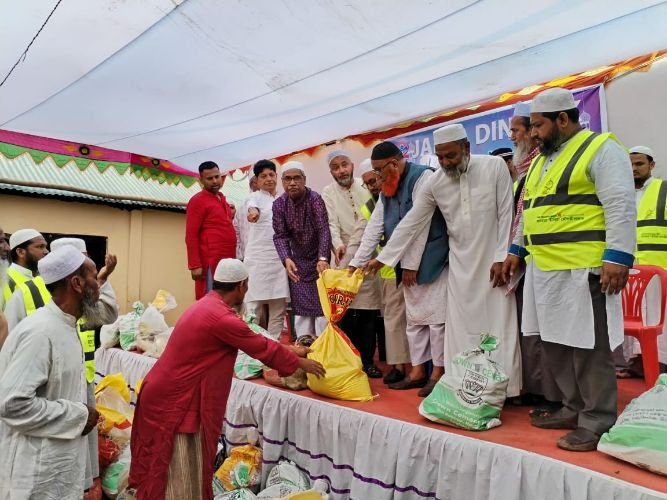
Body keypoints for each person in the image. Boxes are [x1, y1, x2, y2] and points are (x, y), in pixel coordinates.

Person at [503, 87, 635, 451]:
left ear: (563, 119)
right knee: (555, 344)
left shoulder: (601, 148)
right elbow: (529, 211)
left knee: (588, 349)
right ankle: (572, 407)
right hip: (544, 270)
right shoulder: (543, 159)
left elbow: (621, 204)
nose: (532, 134)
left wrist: (618, 257)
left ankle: (597, 419)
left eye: (538, 126)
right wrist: (516, 250)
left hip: (585, 271)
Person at [129, 259, 325, 500]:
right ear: (241, 286)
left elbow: (251, 338)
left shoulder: (208, 306)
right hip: (175, 402)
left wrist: (293, 351)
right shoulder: (220, 317)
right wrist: (302, 363)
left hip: (165, 394)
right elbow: (257, 345)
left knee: (171, 473)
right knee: (177, 479)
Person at [366, 127, 521, 400]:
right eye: (440, 157)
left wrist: (501, 255)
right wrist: (383, 258)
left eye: (451, 155)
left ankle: (506, 388)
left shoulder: (494, 167)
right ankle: (465, 385)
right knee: (461, 329)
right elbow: (412, 223)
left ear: (466, 147)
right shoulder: (436, 182)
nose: (446, 162)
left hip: (493, 264)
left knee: (499, 323)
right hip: (459, 265)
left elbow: (507, 213)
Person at [0, 245, 101, 499]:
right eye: (93, 276)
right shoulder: (41, 332)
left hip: (55, 473)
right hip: (32, 476)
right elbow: (12, 403)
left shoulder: (66, 326)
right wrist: (77, 415)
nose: (98, 285)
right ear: (77, 283)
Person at [352, 142, 448, 397]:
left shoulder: (422, 178)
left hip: (431, 257)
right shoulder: (387, 188)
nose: (377, 177)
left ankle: (438, 373)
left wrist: (408, 264)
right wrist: (355, 264)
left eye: (379, 171)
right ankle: (417, 372)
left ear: (393, 164)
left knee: (436, 321)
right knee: (415, 321)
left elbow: (418, 225)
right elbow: (374, 228)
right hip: (405, 262)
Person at [509, 102, 562, 412]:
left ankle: (551, 395)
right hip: (526, 259)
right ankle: (537, 388)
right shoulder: (525, 171)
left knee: (547, 330)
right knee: (530, 328)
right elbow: (522, 219)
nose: (514, 136)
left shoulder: (544, 165)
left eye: (517, 130)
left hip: (548, 259)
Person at [322, 150, 383, 378]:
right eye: (336, 167)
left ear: (352, 165)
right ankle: (350, 360)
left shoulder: (364, 184)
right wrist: (337, 245)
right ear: (331, 172)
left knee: (367, 314)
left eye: (344, 165)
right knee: (346, 314)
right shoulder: (328, 192)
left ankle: (368, 361)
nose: (341, 171)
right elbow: (331, 223)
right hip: (343, 257)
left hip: (369, 257)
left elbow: (371, 222)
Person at [353, 159, 411, 383]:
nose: (374, 185)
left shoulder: (403, 195)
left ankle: (422, 370)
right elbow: (362, 240)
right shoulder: (369, 207)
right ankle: (399, 367)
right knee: (394, 322)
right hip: (389, 274)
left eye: (376, 179)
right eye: (368, 183)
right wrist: (349, 267)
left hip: (416, 269)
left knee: (421, 323)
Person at [273, 161, 332, 338]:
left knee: (322, 309)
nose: (292, 183)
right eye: (288, 179)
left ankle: (324, 352)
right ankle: (305, 350)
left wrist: (323, 258)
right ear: (282, 182)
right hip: (297, 261)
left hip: (318, 261)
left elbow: (323, 229)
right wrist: (286, 259)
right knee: (302, 313)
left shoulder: (315, 199)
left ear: (304, 180)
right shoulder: (279, 204)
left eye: (296, 178)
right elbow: (280, 235)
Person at [620, 146, 663, 373]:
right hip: (629, 266)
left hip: (658, 267)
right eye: (631, 164)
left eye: (639, 164)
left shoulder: (663, 189)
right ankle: (636, 365)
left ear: (651, 165)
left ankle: (659, 365)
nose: (634, 169)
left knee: (656, 317)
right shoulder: (622, 192)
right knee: (632, 316)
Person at [244, 160, 289, 339]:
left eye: (271, 175)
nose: (269, 179)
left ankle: (273, 348)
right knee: (253, 309)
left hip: (279, 260)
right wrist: (253, 213)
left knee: (278, 309)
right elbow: (252, 208)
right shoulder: (254, 197)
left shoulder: (283, 199)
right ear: (257, 180)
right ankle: (250, 352)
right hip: (257, 259)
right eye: (264, 176)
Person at [185, 161, 237, 299]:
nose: (215, 181)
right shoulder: (197, 201)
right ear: (201, 180)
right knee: (210, 300)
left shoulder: (222, 198)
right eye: (209, 178)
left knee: (226, 300)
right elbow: (191, 235)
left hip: (227, 260)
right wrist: (194, 265)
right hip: (210, 260)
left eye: (217, 176)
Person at [1, 228, 48, 312]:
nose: (46, 251)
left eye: (45, 247)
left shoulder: (46, 278)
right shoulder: (4, 280)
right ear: (20, 252)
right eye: (40, 247)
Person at [235, 175, 259, 260]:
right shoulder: (241, 208)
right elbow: (236, 233)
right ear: (252, 184)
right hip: (247, 256)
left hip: (266, 256)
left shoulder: (272, 203)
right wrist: (239, 256)